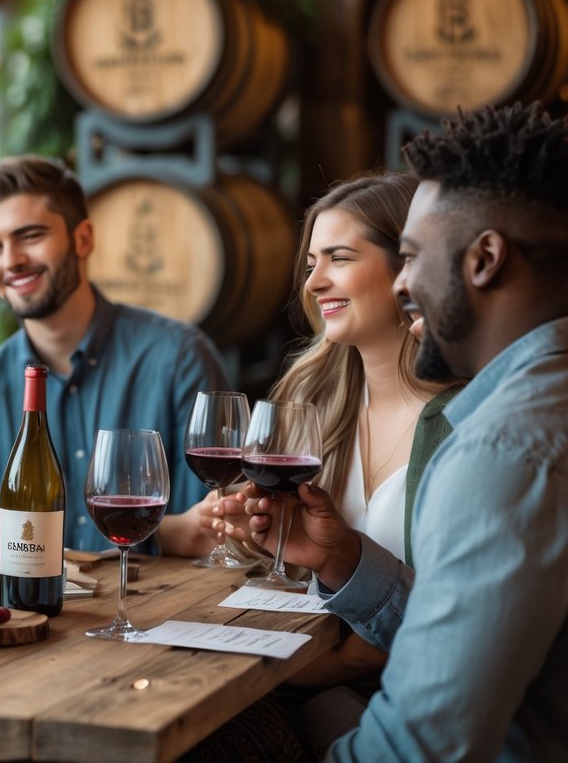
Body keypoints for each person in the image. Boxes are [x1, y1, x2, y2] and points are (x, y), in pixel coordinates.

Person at [224, 102, 568, 760]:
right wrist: (344, 561)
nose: (403, 284)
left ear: (484, 259)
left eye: (410, 256)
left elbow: (418, 747)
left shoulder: (503, 448)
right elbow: (469, 639)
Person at [196, 171, 458, 757]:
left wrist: (316, 671)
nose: (314, 282)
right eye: (311, 261)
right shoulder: (315, 395)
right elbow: (283, 567)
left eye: (338, 258)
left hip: (411, 707)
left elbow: (452, 630)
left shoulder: (466, 422)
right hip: (318, 675)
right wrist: (256, 533)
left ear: (409, 267)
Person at [0, 155, 229, 559]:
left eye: (29, 236)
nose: (10, 260)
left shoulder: (180, 360)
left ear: (82, 239)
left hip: (160, 618)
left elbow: (208, 533)